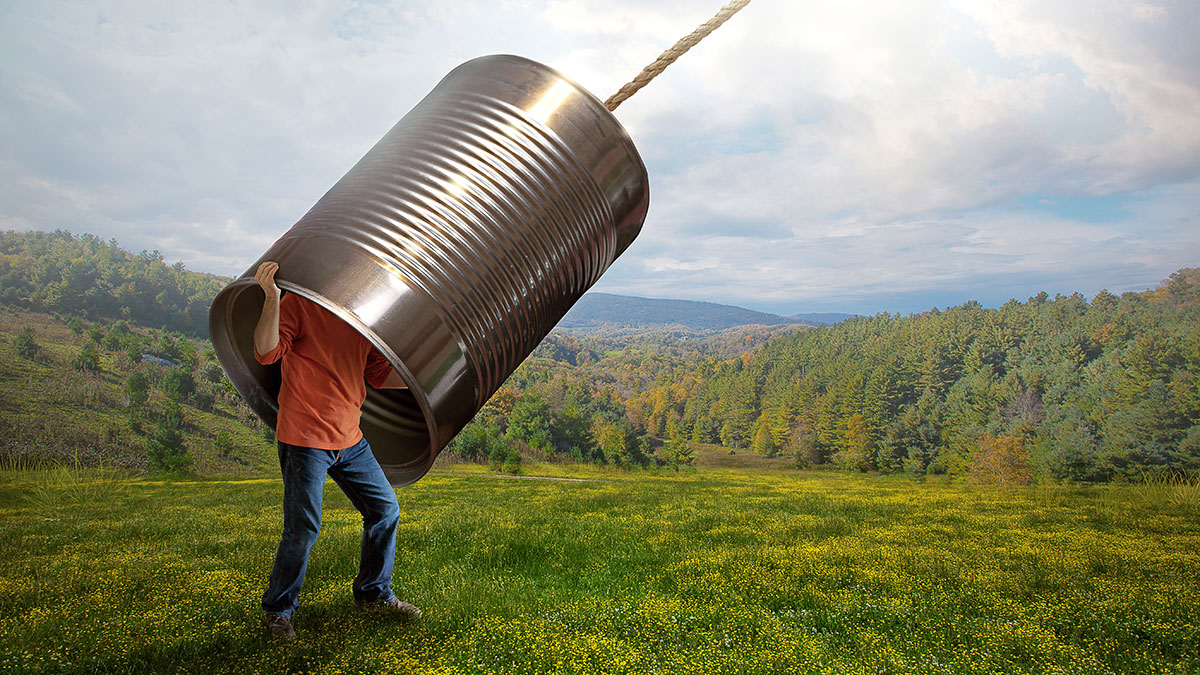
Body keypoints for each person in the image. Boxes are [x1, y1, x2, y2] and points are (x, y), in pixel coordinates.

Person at [252, 261, 421, 641]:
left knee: (385, 510)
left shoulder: (365, 317)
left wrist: (422, 370)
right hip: (305, 437)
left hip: (350, 439)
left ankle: (374, 594)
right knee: (303, 529)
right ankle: (279, 611)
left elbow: (379, 375)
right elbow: (266, 352)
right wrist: (272, 298)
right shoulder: (301, 303)